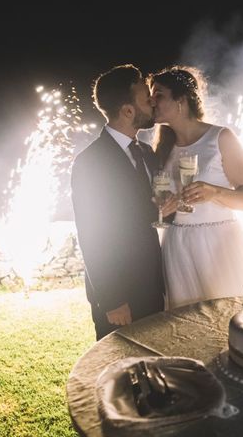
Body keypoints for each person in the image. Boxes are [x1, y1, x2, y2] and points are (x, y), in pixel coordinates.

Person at [71, 64, 170, 340]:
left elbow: (148, 212)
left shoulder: (147, 153)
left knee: (152, 362)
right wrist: (113, 298)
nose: (152, 101)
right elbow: (90, 235)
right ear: (128, 110)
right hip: (119, 290)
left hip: (152, 283)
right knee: (119, 371)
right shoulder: (90, 162)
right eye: (145, 97)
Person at [149, 65, 243, 310]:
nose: (151, 101)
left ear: (181, 99)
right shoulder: (162, 148)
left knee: (229, 319)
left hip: (219, 244)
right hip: (177, 245)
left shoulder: (221, 138)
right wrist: (165, 204)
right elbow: (164, 203)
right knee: (185, 325)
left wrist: (215, 192)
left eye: (159, 95)